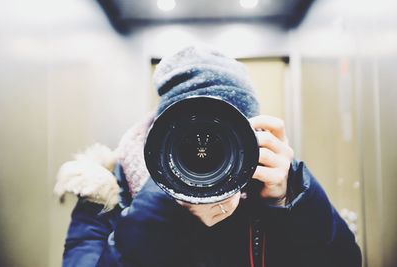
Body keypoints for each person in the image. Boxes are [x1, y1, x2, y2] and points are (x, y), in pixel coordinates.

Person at [54, 46, 362, 267]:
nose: (206, 156)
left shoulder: (274, 184)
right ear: (163, 135)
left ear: (251, 136)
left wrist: (288, 201)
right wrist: (159, 210)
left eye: (225, 137)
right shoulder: (107, 191)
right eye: (189, 140)